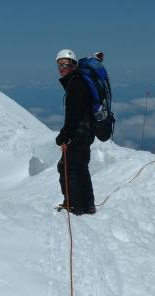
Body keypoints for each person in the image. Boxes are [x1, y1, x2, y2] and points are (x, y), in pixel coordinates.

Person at [55, 49, 96, 215]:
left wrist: (64, 135)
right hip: (87, 131)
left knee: (67, 168)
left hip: (79, 133)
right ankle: (88, 204)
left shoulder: (75, 84)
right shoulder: (79, 81)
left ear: (73, 64)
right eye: (59, 64)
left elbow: (73, 114)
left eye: (65, 64)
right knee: (81, 167)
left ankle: (73, 205)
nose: (61, 67)